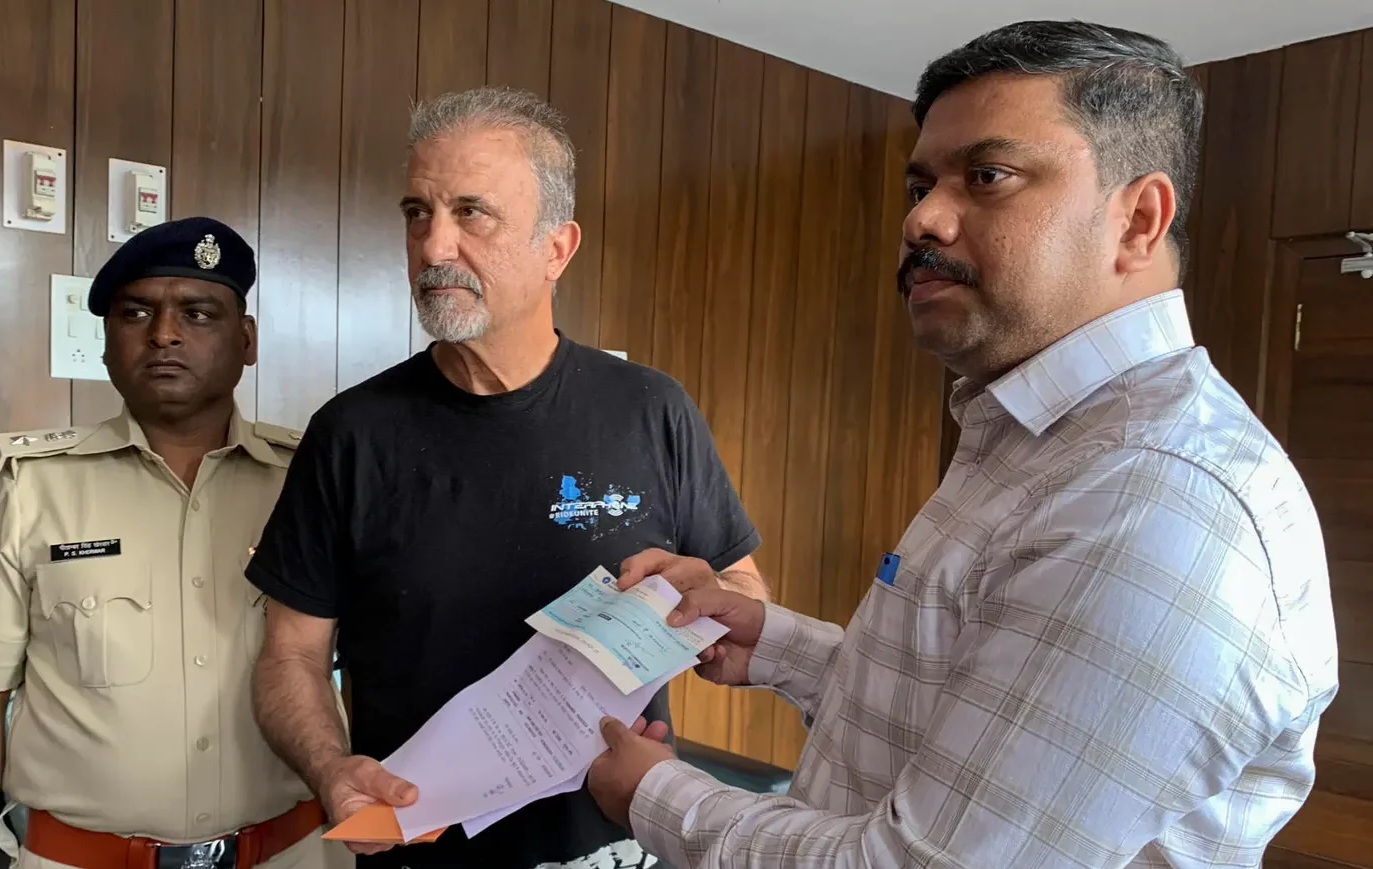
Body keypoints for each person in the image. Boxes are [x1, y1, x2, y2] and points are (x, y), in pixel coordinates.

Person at [586, 19, 1339, 868]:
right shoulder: (1031, 436)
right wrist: (778, 643)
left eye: (988, 176)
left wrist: (652, 793)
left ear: (1138, 219)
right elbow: (966, 719)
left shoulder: (1154, 497)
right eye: (921, 185)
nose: (922, 219)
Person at [244, 86, 767, 869]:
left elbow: (744, 587)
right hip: (414, 849)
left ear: (557, 247)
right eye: (417, 212)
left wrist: (708, 605)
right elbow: (290, 655)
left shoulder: (651, 409)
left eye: (471, 212)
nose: (433, 245)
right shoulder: (351, 434)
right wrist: (330, 768)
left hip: (612, 846)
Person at [0, 216, 352, 869]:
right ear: (107, 343)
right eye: (136, 313)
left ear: (247, 339)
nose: (163, 333)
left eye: (198, 313)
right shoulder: (34, 491)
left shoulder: (311, 481)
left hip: (294, 854)